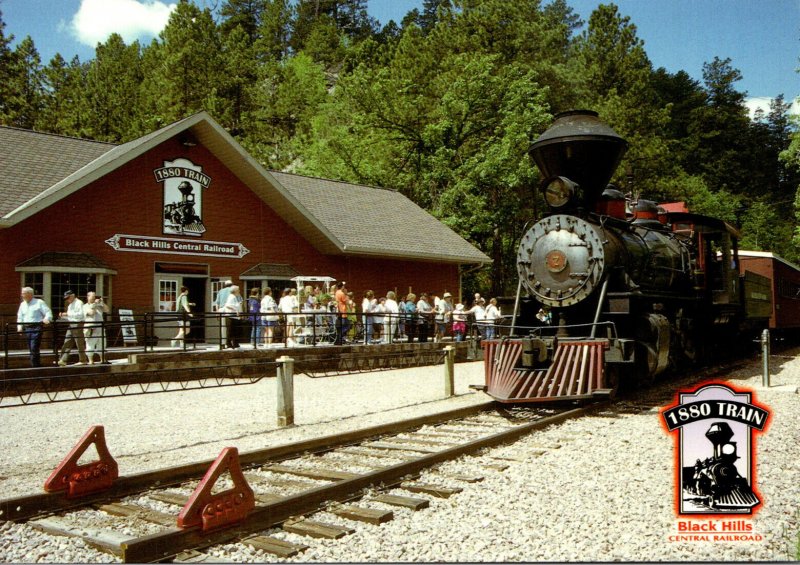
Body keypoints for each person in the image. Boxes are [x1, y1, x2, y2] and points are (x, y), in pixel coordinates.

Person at [16, 286, 52, 367]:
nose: (22, 295)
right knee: (31, 347)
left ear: (29, 294)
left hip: (36, 327)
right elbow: (20, 316)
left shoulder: (39, 302)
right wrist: (19, 327)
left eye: (23, 293)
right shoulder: (22, 304)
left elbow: (48, 312)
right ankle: (36, 364)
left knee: (34, 346)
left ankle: (35, 365)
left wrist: (46, 319)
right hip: (27, 328)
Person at [58, 290, 88, 365]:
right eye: (66, 298)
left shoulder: (79, 303)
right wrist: (64, 316)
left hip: (78, 324)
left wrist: (67, 314)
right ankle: (63, 360)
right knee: (67, 341)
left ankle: (83, 360)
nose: (67, 300)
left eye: (68, 298)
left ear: (73, 296)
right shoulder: (70, 305)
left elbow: (81, 314)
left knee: (79, 342)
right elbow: (70, 316)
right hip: (71, 324)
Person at [84, 291, 110, 363]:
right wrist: (94, 304)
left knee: (102, 344)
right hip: (91, 328)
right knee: (90, 345)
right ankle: (90, 361)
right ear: (88, 297)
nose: (94, 299)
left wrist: (102, 303)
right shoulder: (85, 306)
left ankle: (102, 359)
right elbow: (91, 313)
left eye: (95, 297)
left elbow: (107, 310)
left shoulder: (99, 305)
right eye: (92, 297)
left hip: (100, 328)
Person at [214, 280, 233, 348]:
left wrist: (217, 312)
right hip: (229, 309)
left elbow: (217, 303)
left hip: (221, 309)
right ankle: (228, 343)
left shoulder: (220, 291)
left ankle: (222, 343)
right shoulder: (232, 290)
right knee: (229, 327)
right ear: (231, 284)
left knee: (223, 327)